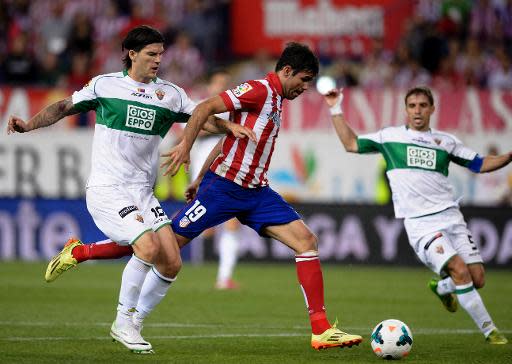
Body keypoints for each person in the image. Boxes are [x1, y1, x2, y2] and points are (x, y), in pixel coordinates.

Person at [7, 25, 254, 354]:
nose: (157, 60)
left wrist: (228, 126)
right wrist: (28, 125)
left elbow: (202, 117)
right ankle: (122, 322)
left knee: (171, 262)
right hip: (108, 188)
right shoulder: (105, 85)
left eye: (161, 55)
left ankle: (132, 320)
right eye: (151, 54)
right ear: (132, 54)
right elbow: (63, 107)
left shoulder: (170, 94)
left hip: (142, 191)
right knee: (147, 248)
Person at [160, 42, 363, 350]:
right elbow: (203, 108)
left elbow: (232, 138)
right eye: (303, 80)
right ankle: (85, 252)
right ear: (286, 71)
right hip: (225, 189)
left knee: (306, 241)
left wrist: (199, 176)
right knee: (164, 246)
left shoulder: (278, 100)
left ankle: (321, 329)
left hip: (257, 193)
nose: (305, 88)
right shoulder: (258, 90)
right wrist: (186, 148)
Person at [323, 85, 511, 345]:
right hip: (421, 224)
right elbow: (351, 143)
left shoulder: (446, 141)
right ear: (406, 110)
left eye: (423, 105)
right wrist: (335, 107)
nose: (417, 111)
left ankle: (443, 287)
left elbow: (480, 163)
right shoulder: (390, 137)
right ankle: (491, 332)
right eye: (412, 106)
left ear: (432, 109)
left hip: (452, 217)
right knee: (459, 269)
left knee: (477, 278)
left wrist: (509, 155)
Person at [189, 69, 243, 290]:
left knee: (232, 221)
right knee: (197, 222)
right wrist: (225, 127)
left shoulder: (235, 108)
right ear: (210, 86)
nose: (222, 87)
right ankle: (156, 250)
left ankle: (224, 278)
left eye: (226, 83)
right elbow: (192, 131)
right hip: (205, 164)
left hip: (229, 164)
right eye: (218, 83)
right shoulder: (201, 106)